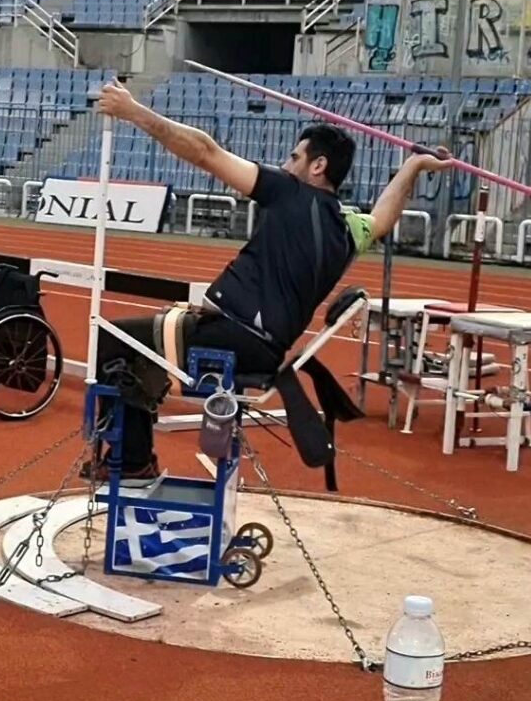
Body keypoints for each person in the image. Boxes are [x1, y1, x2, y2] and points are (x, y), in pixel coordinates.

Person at [91, 78, 452, 483]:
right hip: (266, 348)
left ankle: (133, 461)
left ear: (318, 166)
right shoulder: (348, 230)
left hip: (236, 335)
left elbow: (206, 152)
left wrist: (133, 111)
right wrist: (414, 166)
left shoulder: (287, 192)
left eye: (294, 156)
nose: (285, 163)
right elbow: (385, 217)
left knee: (112, 340)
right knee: (144, 341)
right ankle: (134, 451)